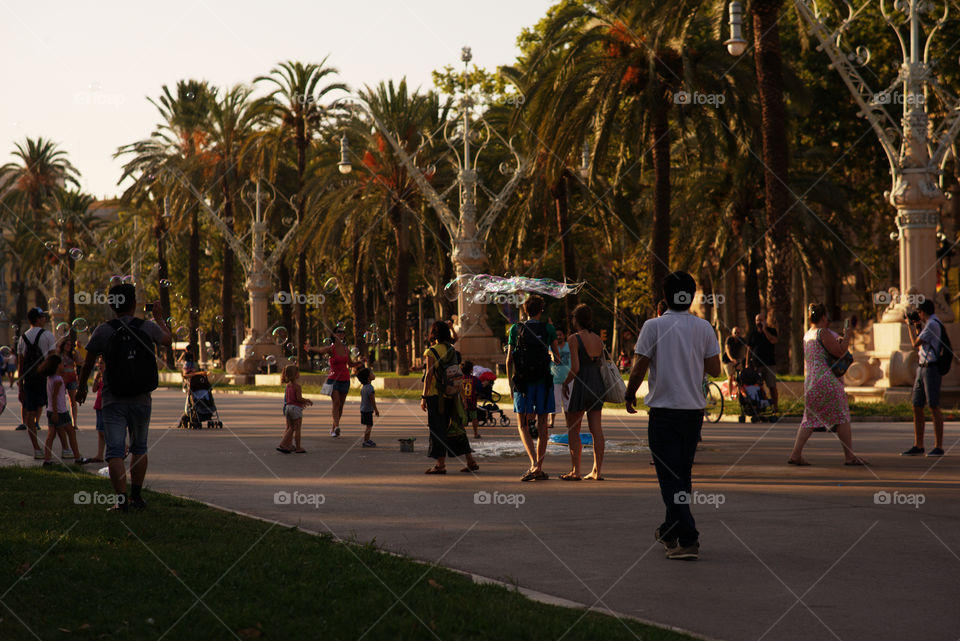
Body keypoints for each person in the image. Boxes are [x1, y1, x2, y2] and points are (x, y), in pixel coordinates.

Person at [626, 271, 721, 561]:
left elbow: (640, 366)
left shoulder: (653, 325)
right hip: (693, 413)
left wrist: (630, 394)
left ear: (665, 297)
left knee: (669, 478)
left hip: (664, 413)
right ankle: (669, 530)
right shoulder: (704, 327)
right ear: (691, 296)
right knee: (682, 476)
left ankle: (689, 538)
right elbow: (715, 369)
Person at [77, 284, 171, 511]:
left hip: (113, 399)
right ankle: (137, 498)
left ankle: (121, 502)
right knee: (140, 447)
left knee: (115, 451)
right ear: (134, 304)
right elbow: (167, 340)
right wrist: (159, 317)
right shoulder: (146, 326)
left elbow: (88, 362)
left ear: (111, 304)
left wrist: (81, 388)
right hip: (141, 398)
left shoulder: (103, 330)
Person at [788, 303, 867, 466]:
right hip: (827, 380)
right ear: (824, 317)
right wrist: (847, 336)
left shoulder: (807, 334)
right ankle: (850, 457)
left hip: (811, 380)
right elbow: (839, 351)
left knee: (809, 419)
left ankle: (796, 454)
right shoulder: (822, 332)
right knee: (842, 416)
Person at [506, 295, 561, 482]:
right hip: (543, 382)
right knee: (543, 424)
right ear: (541, 310)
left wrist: (510, 384)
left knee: (522, 424)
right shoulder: (549, 328)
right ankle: (539, 467)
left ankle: (533, 464)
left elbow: (509, 360)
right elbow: (557, 358)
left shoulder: (516, 328)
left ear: (524, 310)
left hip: (522, 383)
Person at [420, 321, 479, 474]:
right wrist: (463, 398)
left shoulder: (431, 351)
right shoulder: (452, 350)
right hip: (452, 395)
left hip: (436, 396)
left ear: (433, 334)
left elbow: (429, 375)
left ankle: (440, 465)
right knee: (456, 427)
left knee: (438, 428)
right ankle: (470, 460)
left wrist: (423, 396)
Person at [561, 304, 606, 481]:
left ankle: (575, 470)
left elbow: (576, 368)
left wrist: (565, 383)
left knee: (574, 428)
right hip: (597, 383)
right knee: (596, 429)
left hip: (582, 384)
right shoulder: (598, 339)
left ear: (576, 319)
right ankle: (597, 471)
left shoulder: (574, 338)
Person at [902, 298, 947, 457]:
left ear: (923, 312)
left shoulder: (933, 324)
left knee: (934, 406)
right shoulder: (928, 324)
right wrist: (916, 325)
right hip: (922, 368)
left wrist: (909, 325)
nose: (917, 315)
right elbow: (922, 343)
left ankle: (939, 446)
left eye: (919, 312)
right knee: (916, 405)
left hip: (931, 368)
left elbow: (915, 343)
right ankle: (918, 445)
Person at [304, 325, 364, 438]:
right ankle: (336, 426)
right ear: (334, 334)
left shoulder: (346, 349)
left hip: (345, 379)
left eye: (343, 332)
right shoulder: (331, 349)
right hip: (333, 379)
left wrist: (359, 362)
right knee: (336, 403)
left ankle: (334, 428)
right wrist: (310, 348)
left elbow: (350, 364)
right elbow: (321, 350)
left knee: (341, 406)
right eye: (339, 332)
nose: (341, 334)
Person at [17, 307, 57, 459]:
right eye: (42, 317)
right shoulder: (48, 335)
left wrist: (21, 387)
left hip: (30, 381)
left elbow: (21, 365)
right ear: (37, 319)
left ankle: (37, 449)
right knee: (54, 413)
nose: (44, 319)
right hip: (46, 379)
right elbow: (53, 359)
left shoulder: (22, 337)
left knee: (30, 416)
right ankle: (55, 448)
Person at [40, 355, 87, 466]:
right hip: (60, 412)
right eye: (61, 364)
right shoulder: (58, 381)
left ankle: (47, 459)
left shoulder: (51, 378)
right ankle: (77, 457)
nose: (63, 365)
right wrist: (56, 413)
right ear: (56, 366)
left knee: (51, 435)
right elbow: (55, 397)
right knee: (71, 433)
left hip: (51, 410)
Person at [746, 312, 779, 411]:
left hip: (769, 364)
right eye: (757, 320)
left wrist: (764, 330)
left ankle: (775, 406)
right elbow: (749, 349)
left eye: (761, 320)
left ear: (765, 320)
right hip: (757, 365)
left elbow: (773, 340)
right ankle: (760, 406)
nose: (759, 322)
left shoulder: (771, 331)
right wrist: (747, 363)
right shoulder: (752, 333)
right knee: (758, 386)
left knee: (772, 386)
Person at [277, 364, 312, 454]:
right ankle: (297, 447)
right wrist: (307, 400)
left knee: (290, 428)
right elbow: (298, 398)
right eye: (298, 372)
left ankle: (286, 444)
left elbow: (289, 399)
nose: (299, 374)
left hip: (288, 408)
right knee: (297, 429)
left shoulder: (288, 386)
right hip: (295, 409)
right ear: (295, 374)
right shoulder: (297, 386)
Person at [57, 332, 83, 431]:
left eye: (70, 345)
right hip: (62, 379)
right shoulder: (59, 355)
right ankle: (62, 421)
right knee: (61, 400)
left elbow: (81, 361)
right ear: (63, 345)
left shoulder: (73, 355)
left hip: (72, 378)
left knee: (73, 401)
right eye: (67, 344)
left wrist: (76, 351)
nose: (68, 346)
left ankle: (74, 422)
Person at [549, 328, 571, 429]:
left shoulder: (569, 346)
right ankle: (551, 422)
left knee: (568, 402)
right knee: (554, 402)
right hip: (555, 379)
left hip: (569, 379)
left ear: (564, 336)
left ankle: (568, 422)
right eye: (556, 335)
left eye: (560, 335)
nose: (559, 337)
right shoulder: (551, 347)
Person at [356, 368, 379, 447]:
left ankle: (367, 439)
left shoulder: (364, 387)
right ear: (368, 377)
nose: (373, 374)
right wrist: (376, 410)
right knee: (369, 426)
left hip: (363, 409)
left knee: (368, 425)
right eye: (372, 373)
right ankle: (366, 441)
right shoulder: (370, 388)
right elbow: (372, 400)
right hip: (367, 410)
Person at [89, 356, 106, 463]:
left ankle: (123, 446)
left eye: (102, 363)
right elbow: (94, 390)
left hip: (107, 407)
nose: (100, 365)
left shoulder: (110, 376)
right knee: (100, 431)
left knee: (106, 432)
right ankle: (100, 455)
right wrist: (96, 378)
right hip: (99, 405)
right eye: (99, 363)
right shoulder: (99, 376)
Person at [723, 327, 746, 399]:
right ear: (732, 333)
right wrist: (732, 359)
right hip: (727, 360)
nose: (737, 334)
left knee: (739, 376)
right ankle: (730, 395)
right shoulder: (729, 339)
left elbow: (747, 347)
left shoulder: (741, 340)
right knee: (730, 377)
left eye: (738, 333)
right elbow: (727, 350)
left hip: (736, 359)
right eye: (735, 333)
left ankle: (740, 394)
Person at [460, 361, 482, 439]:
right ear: (471, 370)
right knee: (474, 417)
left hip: (462, 401)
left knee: (462, 417)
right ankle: (475, 433)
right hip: (472, 400)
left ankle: (462, 433)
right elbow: (480, 388)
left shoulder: (460, 379)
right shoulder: (475, 379)